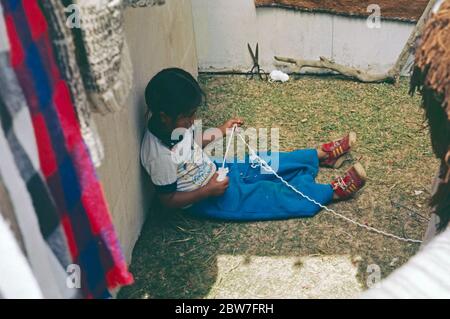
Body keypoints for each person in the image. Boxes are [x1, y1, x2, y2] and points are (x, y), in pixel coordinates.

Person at [140, 68, 367, 221]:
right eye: (187, 116)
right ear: (164, 116)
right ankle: (331, 193)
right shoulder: (158, 156)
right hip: (209, 199)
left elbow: (193, 143)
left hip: (217, 167)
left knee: (266, 160)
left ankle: (320, 156)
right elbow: (167, 201)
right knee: (268, 194)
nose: (191, 120)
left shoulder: (175, 125)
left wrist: (221, 131)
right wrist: (207, 191)